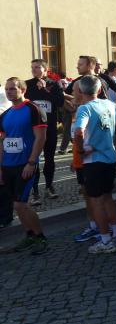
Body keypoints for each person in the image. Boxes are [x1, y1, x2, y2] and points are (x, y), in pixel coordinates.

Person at [73, 75, 116, 254]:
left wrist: (80, 151)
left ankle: (106, 240)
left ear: (81, 91)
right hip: (110, 158)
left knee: (97, 201)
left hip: (94, 161)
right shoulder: (108, 104)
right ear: (99, 89)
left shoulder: (84, 108)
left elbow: (78, 132)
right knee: (108, 198)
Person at [0, 78, 49, 255]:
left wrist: (32, 162)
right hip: (8, 165)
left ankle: (41, 238)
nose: (9, 92)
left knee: (21, 204)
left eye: (13, 89)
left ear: (23, 90)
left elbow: (41, 137)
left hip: (25, 164)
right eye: (7, 89)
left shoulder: (33, 109)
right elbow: (2, 141)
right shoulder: (5, 114)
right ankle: (29, 235)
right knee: (16, 204)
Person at [25, 59, 65, 202]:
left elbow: (60, 102)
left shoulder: (54, 84)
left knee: (49, 158)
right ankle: (34, 190)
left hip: (50, 128)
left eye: (37, 67)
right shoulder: (27, 84)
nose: (34, 70)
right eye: (32, 67)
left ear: (45, 69)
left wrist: (44, 90)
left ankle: (49, 186)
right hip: (33, 129)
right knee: (33, 158)